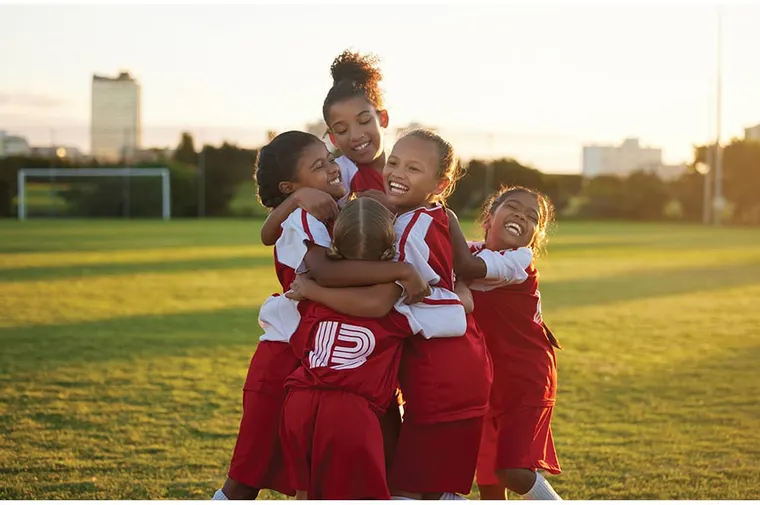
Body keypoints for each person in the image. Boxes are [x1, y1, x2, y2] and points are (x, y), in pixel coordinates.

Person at [212, 131, 427, 500]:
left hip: (325, 358)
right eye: (320, 165)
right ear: (290, 186)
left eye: (329, 159)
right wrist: (402, 271)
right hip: (288, 361)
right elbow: (325, 272)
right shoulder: (303, 215)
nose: (333, 167)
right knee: (248, 476)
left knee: (325, 478)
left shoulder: (325, 208)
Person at [279, 197, 470, 500]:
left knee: (308, 493)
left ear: (335, 246)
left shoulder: (314, 295)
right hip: (351, 411)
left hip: (298, 402)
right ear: (390, 251)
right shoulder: (396, 303)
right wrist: (458, 285)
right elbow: (459, 313)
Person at [382, 129, 493, 500]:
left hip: (440, 368)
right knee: (438, 485)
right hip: (462, 358)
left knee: (407, 490)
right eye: (393, 162)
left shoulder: (407, 228)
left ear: (440, 183)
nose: (397, 173)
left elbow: (397, 297)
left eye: (413, 168)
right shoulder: (437, 214)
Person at [468, 186, 563, 501]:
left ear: (534, 236)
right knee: (490, 481)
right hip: (489, 378)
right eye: (512, 207)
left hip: (526, 377)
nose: (522, 216)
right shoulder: (472, 250)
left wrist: (443, 218)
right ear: (489, 216)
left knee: (511, 470)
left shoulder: (519, 260)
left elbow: (464, 269)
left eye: (532, 217)